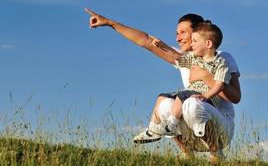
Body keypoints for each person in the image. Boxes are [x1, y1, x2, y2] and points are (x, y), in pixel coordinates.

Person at [84, 8, 241, 163]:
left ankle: (216, 154)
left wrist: (206, 77)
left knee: (193, 103)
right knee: (166, 105)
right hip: (194, 130)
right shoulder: (186, 60)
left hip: (221, 129)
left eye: (183, 32)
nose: (178, 38)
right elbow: (145, 41)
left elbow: (235, 97)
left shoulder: (221, 57)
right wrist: (111, 23)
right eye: (176, 33)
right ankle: (187, 154)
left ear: (198, 33)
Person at [148, 21, 232, 140]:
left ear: (208, 43)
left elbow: (220, 85)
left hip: (210, 101)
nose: (192, 44)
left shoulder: (220, 64)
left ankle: (171, 124)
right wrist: (162, 46)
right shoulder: (195, 59)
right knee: (169, 96)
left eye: (195, 41)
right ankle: (156, 127)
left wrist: (206, 96)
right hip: (194, 95)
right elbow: (177, 56)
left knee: (184, 95)